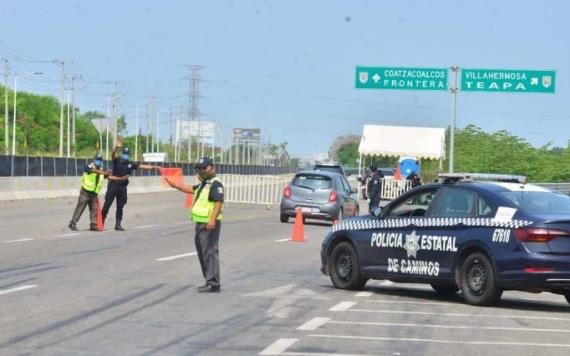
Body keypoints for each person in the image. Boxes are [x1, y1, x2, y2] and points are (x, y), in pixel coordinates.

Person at [165, 157, 224, 293]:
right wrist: (175, 185)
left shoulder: (215, 184)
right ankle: (209, 280)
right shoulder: (205, 184)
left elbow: (218, 203)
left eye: (204, 168)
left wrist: (212, 220)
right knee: (203, 252)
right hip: (201, 223)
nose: (201, 171)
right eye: (199, 168)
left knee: (209, 252)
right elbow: (191, 189)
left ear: (212, 167)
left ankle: (213, 283)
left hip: (209, 224)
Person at [102, 142, 160, 231]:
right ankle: (101, 222)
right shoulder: (117, 160)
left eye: (127, 154)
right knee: (107, 205)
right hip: (113, 185)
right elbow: (113, 154)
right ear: (122, 154)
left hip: (122, 188)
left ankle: (118, 224)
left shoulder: (130, 163)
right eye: (125, 154)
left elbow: (141, 166)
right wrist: (116, 148)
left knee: (120, 207)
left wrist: (153, 167)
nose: (126, 155)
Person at [68, 154, 107, 231]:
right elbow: (90, 170)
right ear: (94, 160)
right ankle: (73, 223)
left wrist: (110, 174)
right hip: (85, 192)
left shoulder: (102, 170)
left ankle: (93, 225)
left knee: (94, 209)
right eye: (97, 160)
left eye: (100, 160)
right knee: (80, 208)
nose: (98, 161)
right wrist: (102, 173)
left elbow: (107, 176)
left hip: (94, 193)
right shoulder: (89, 166)